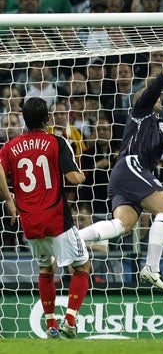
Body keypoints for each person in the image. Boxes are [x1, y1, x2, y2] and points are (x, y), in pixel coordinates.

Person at [78, 47, 163, 293]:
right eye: (153, 96)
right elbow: (155, 87)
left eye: (159, 98)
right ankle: (152, 267)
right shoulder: (139, 112)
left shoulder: (160, 124)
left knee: (123, 225)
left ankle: (75, 239)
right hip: (131, 165)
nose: (158, 99)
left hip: (125, 176)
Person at [0, 97, 89, 339]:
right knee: (82, 266)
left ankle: (51, 325)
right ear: (47, 118)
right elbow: (73, 178)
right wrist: (82, 175)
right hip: (56, 217)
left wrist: (9, 200)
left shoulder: (9, 147)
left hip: (29, 220)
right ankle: (70, 320)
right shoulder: (56, 142)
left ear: (24, 120)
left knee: (46, 268)